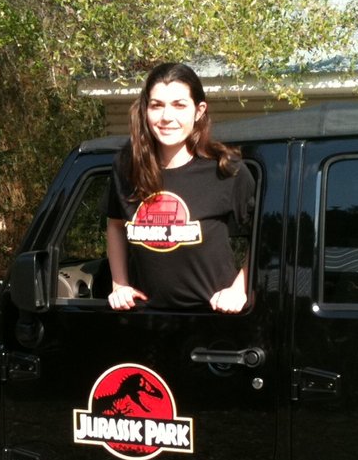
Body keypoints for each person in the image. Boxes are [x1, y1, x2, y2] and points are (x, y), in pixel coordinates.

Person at [106, 62, 255, 313]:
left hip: (212, 321)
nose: (166, 117)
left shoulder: (226, 170)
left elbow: (268, 239)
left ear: (199, 111)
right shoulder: (126, 167)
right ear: (145, 110)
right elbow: (115, 224)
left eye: (179, 105)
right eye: (157, 105)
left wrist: (240, 288)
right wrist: (119, 284)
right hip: (144, 320)